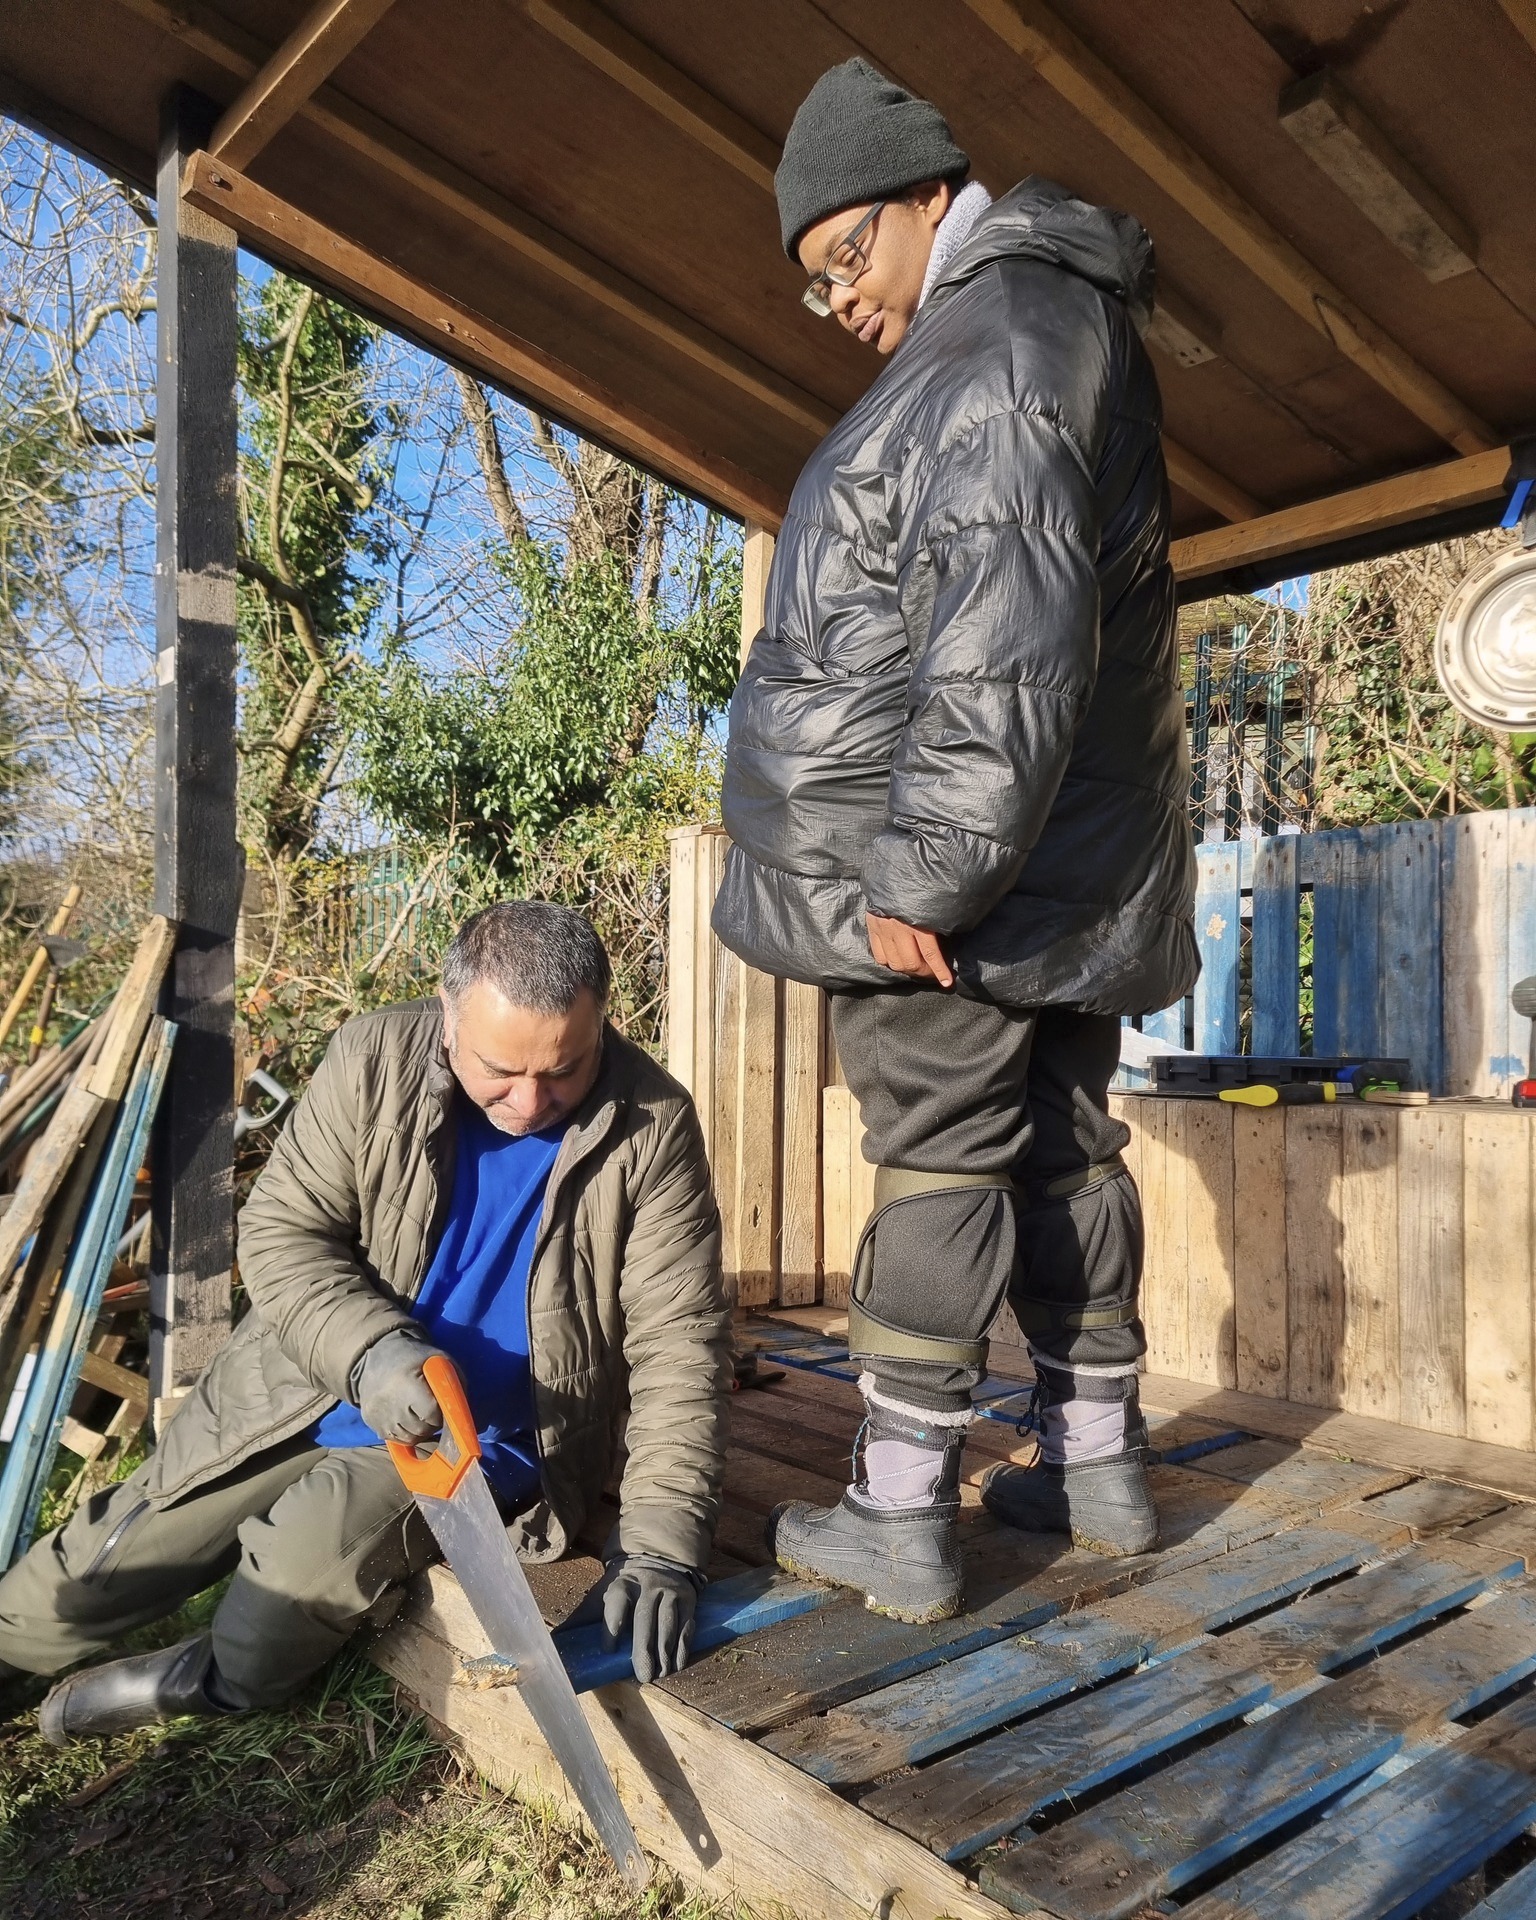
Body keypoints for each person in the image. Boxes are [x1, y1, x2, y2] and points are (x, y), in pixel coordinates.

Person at [714, 59, 1197, 1623]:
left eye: (843, 254)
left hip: (959, 888)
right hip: (1054, 879)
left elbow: (1008, 631)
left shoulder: (995, 337)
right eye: (813, 284)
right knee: (1062, 1152)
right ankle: (1092, 1461)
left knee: (935, 1162)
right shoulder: (1033, 324)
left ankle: (902, 1512)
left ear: (928, 190)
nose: (835, 298)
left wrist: (924, 871)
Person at [0, 902, 731, 1740]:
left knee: (286, 1592)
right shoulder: (371, 1058)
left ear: (603, 1018)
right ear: (448, 1017)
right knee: (89, 1575)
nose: (531, 1102)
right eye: (500, 1069)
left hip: (477, 1441)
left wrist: (662, 1546)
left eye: (565, 1069)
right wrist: (369, 1351)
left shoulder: (654, 1123)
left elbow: (683, 1344)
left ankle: (192, 1681)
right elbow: (280, 1232)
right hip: (305, 1383)